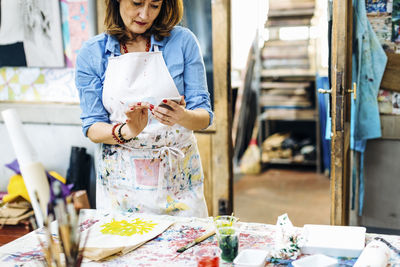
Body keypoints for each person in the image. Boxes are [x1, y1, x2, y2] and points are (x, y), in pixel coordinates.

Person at [75, 0, 213, 218]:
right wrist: (126, 131)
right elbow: (92, 127)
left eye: (154, 6)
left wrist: (182, 116)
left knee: (185, 248)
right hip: (122, 191)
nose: (144, 14)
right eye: (137, 3)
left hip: (178, 185)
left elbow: (204, 117)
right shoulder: (92, 53)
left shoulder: (183, 42)